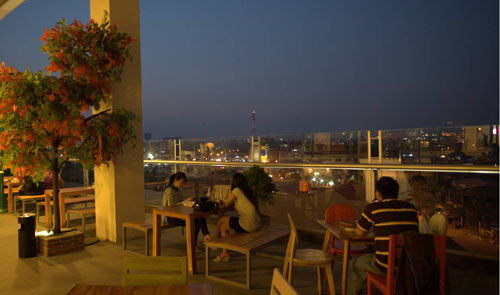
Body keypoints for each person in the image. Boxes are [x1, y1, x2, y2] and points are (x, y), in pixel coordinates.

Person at [347, 177, 418, 295]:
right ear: (396, 192)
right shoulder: (411, 209)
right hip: (409, 264)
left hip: (386, 265)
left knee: (354, 265)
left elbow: (359, 232)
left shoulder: (373, 208)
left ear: (378, 193)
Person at [213, 173, 261, 262]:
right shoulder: (248, 192)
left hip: (247, 225)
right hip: (256, 223)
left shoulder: (237, 190)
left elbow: (226, 204)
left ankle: (215, 242)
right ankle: (225, 253)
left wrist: (220, 201)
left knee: (221, 220)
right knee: (223, 227)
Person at [161, 172, 212, 250]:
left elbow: (177, 205)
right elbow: (172, 208)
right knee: (197, 220)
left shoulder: (174, 190)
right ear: (175, 181)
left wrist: (185, 202)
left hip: (175, 215)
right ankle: (201, 239)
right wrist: (185, 202)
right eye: (181, 183)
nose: (182, 185)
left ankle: (203, 237)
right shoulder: (170, 191)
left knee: (198, 218)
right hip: (172, 217)